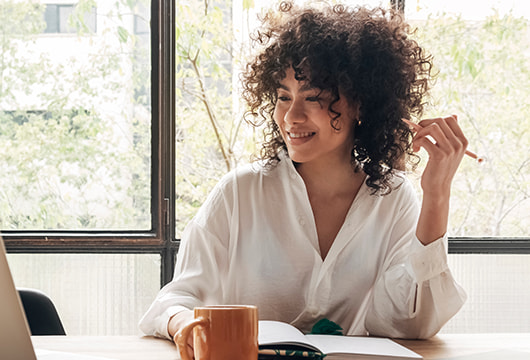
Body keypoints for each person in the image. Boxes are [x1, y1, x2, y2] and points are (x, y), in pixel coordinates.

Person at [139, 0, 467, 354]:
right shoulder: (240, 192)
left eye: (313, 98)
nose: (291, 117)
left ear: (361, 104)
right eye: (283, 97)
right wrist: (185, 324)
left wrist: (437, 195)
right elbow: (173, 300)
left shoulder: (394, 197)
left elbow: (411, 325)